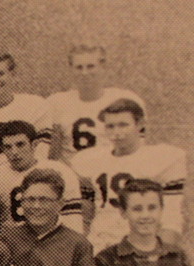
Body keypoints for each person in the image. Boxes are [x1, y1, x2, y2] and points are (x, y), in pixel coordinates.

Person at [70, 98, 187, 252]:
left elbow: (171, 219)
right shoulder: (90, 161)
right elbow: (85, 214)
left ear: (140, 125)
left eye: (123, 125)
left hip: (141, 244)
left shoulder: (162, 158)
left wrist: (158, 258)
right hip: (100, 242)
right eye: (110, 126)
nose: (117, 132)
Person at [0, 120, 85, 234]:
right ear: (2, 150)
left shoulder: (60, 171)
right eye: (8, 147)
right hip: (12, 243)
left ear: (34, 145)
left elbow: (73, 220)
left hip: (50, 241)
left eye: (20, 144)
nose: (14, 152)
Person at [48, 45, 145, 162]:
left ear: (103, 68)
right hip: (73, 173)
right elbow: (52, 154)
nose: (84, 73)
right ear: (71, 69)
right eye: (79, 67)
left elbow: (138, 147)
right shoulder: (57, 103)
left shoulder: (125, 99)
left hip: (114, 170)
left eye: (90, 66)